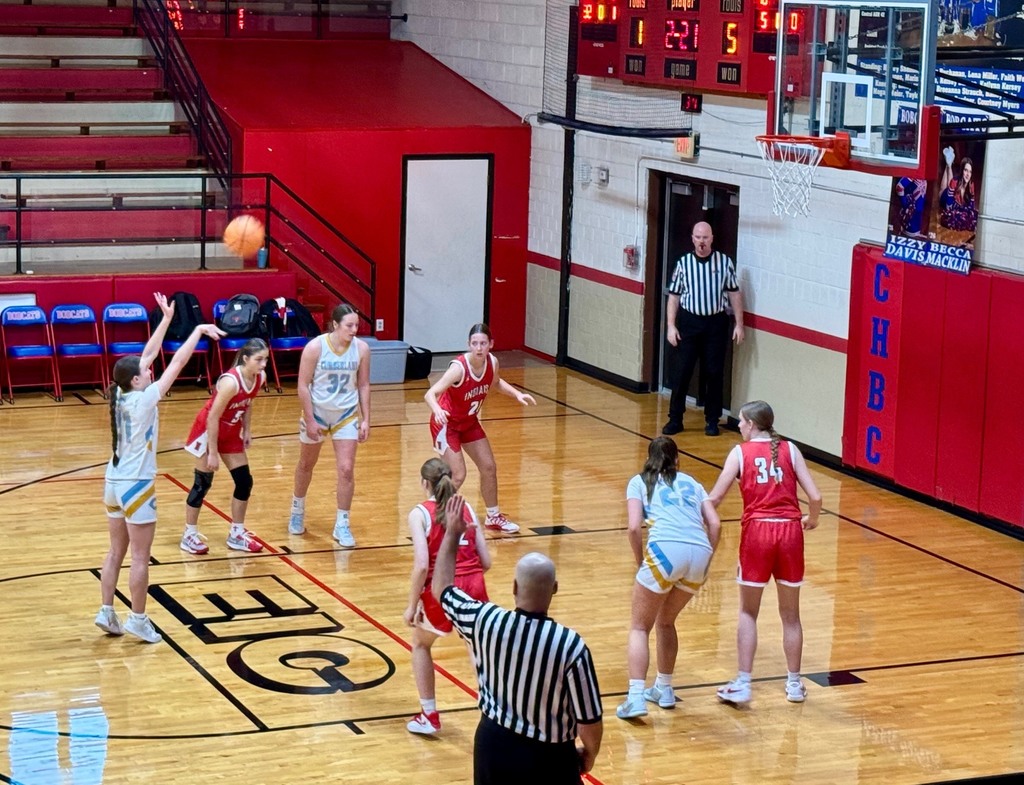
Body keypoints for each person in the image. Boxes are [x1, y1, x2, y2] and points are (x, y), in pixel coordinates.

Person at [431, 499, 603, 784]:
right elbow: (589, 720)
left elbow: (442, 589)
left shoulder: (485, 620)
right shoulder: (571, 645)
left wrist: (451, 534)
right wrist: (590, 754)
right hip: (550, 759)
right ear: (555, 589)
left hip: (493, 746)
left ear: (514, 587)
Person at [95, 293, 224, 643]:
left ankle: (106, 611)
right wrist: (197, 331)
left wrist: (166, 319)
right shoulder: (143, 399)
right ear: (136, 381)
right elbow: (176, 364)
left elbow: (149, 354)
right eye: (145, 373)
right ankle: (138, 619)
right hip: (137, 484)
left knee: (115, 552)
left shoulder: (118, 392)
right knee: (140, 557)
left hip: (112, 482)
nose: (150, 370)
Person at [708, 400, 822, 705]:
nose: (739, 426)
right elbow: (815, 497)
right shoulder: (791, 449)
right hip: (790, 533)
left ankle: (744, 682)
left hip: (758, 532)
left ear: (752, 424)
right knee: (791, 615)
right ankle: (794, 683)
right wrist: (812, 519)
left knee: (748, 612)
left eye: (741, 421)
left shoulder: (739, 453)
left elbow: (715, 498)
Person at [616, 436, 720, 719]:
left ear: (648, 459)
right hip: (699, 552)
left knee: (640, 627)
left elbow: (634, 528)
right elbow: (715, 524)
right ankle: (664, 688)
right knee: (665, 621)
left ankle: (635, 697)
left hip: (665, 549)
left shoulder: (639, 481)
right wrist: (706, 559)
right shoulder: (693, 483)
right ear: (677, 460)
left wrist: (640, 561)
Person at [403, 458, 491, 736]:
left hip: (441, 589)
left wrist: (412, 605)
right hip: (474, 584)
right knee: (477, 650)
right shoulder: (467, 508)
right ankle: (495, 713)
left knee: (420, 644)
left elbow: (421, 565)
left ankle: (429, 715)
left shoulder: (419, 513)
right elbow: (486, 561)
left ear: (424, 483)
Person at [425, 323, 536, 534]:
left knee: (489, 467)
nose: (478, 348)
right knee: (458, 475)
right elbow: (430, 393)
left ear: (490, 344)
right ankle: (432, 515)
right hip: (446, 424)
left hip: (469, 422)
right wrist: (437, 409)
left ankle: (493, 516)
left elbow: (496, 382)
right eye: (474, 343)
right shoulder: (459, 368)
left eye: (483, 343)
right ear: (469, 344)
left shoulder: (492, 362)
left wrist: (517, 394)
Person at [287, 304, 371, 547]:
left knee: (346, 469)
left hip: (346, 414)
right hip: (318, 413)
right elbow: (303, 385)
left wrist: (366, 418)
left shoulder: (362, 349)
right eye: (349, 325)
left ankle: (342, 523)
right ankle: (297, 508)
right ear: (335, 324)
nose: (354, 330)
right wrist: (310, 419)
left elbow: (364, 384)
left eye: (356, 325)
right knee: (306, 464)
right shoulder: (315, 347)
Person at [180, 338, 269, 555]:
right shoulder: (230, 382)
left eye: (266, 359)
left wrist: (246, 430)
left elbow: (248, 403)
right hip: (208, 430)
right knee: (202, 484)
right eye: (259, 359)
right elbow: (212, 417)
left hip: (230, 430)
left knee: (244, 481)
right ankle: (189, 534)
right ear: (245, 359)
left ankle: (236, 534)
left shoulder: (260, 377)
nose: (263, 364)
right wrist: (212, 452)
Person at [663, 221, 745, 438]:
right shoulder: (683, 263)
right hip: (689, 323)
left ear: (712, 239)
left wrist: (739, 323)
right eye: (698, 237)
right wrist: (671, 326)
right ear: (692, 239)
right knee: (682, 372)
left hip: (715, 323)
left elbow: (734, 293)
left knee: (714, 373)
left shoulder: (724, 262)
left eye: (705, 237)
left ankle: (712, 420)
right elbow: (674, 297)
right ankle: (675, 419)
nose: (701, 241)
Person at [939, 148, 978, 233]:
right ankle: (948, 165)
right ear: (962, 170)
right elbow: (948, 206)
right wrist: (961, 212)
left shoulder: (971, 185)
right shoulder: (954, 181)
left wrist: (964, 213)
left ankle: (949, 163)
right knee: (942, 191)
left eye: (970, 172)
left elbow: (971, 207)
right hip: (948, 200)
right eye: (966, 170)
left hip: (957, 206)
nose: (968, 174)